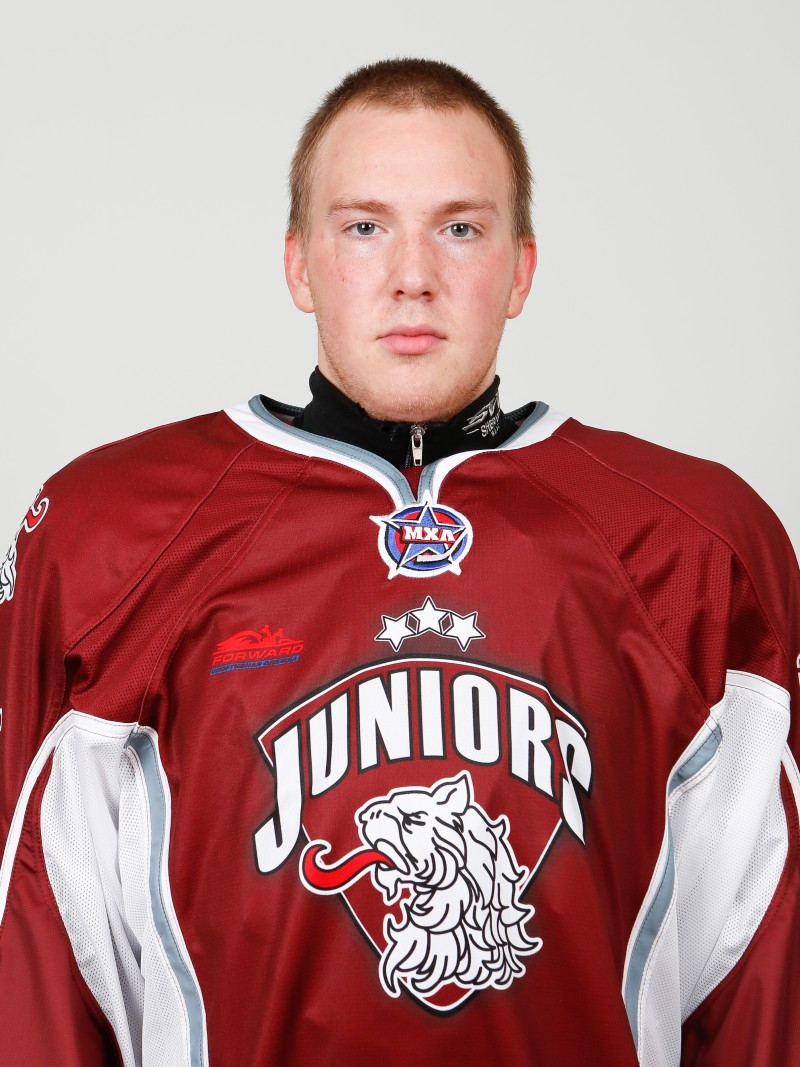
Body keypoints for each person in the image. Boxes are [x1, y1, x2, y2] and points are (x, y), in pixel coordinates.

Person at [0, 57, 797, 1067]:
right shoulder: (114, 535)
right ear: (299, 264)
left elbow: (760, 962)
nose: (412, 274)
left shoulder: (692, 544)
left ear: (520, 269)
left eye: (459, 228)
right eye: (364, 227)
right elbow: (38, 950)